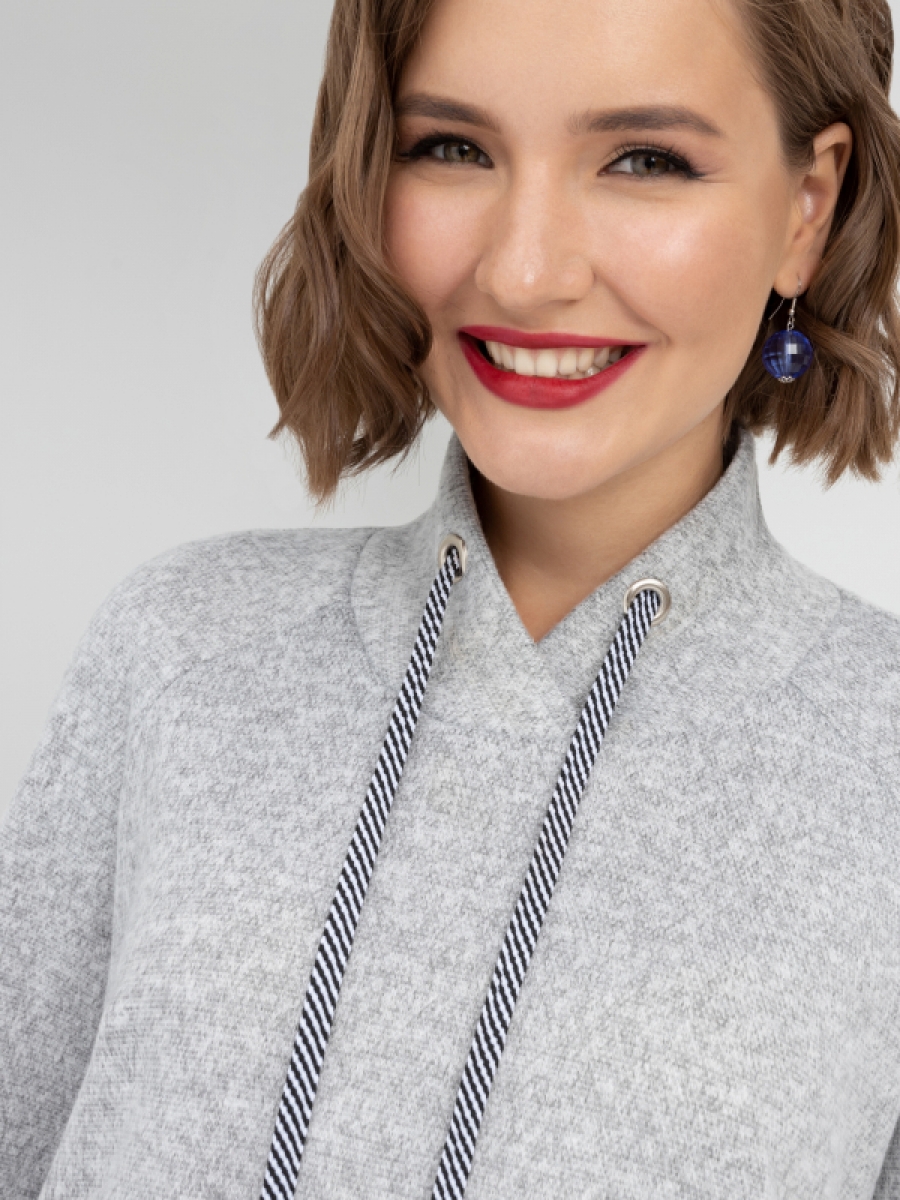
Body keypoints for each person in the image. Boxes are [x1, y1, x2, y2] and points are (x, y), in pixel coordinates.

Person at [3, 0, 900, 1195]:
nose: (524, 271)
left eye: (645, 160)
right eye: (452, 147)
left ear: (808, 207)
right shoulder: (181, 653)